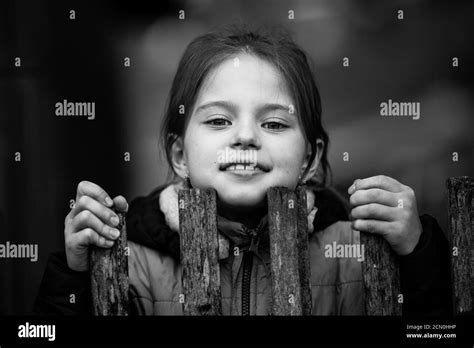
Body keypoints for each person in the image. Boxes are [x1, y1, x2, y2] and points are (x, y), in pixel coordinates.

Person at [35, 24, 452, 316]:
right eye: (219, 121)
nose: (246, 136)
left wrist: (418, 253)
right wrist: (74, 277)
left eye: (273, 123)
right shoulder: (131, 259)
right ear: (179, 155)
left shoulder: (356, 249)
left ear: (309, 157)